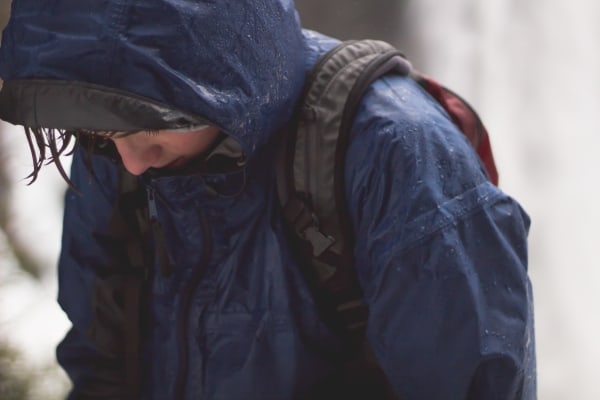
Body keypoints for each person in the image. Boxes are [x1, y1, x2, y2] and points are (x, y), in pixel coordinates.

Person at [0, 0, 537, 399]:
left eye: (153, 124)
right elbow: (102, 362)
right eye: (97, 135)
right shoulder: (113, 146)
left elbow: (470, 381)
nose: (134, 161)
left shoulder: (396, 152)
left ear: (218, 67)